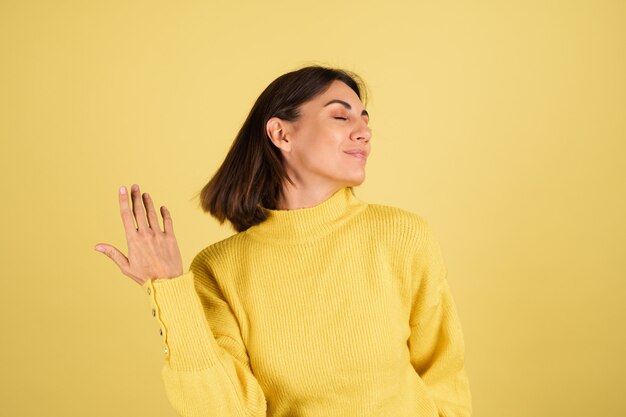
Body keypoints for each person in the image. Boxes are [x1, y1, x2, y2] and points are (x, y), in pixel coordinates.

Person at [94, 65, 472, 417]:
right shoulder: (219, 268)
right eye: (341, 116)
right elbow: (225, 409)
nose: (363, 131)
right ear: (281, 133)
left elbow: (444, 374)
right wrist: (169, 291)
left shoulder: (402, 235)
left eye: (364, 119)